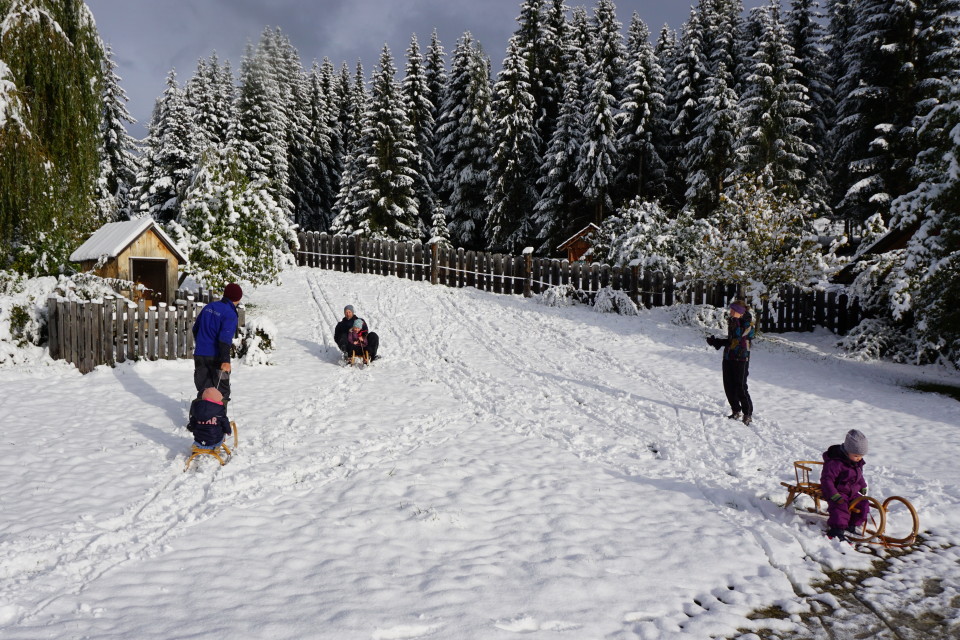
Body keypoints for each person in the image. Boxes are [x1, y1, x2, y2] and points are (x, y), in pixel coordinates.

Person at [706, 300, 756, 425]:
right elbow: (731, 340)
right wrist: (717, 341)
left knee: (740, 386)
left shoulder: (748, 324)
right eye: (731, 310)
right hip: (729, 356)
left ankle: (747, 414)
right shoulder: (733, 321)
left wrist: (719, 342)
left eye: (734, 310)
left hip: (741, 358)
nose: (731, 312)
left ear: (740, 312)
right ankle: (735, 410)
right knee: (728, 385)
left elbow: (737, 339)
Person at [192, 283, 242, 405]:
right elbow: (225, 338)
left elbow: (195, 329)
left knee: (204, 390)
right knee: (221, 391)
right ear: (238, 298)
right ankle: (218, 420)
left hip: (200, 354)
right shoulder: (230, 313)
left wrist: (202, 344)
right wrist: (225, 360)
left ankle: (201, 420)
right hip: (217, 357)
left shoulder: (209, 306)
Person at [821, 429, 870, 542]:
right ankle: (836, 530)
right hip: (837, 491)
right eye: (856, 455)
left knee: (863, 503)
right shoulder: (835, 463)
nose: (859, 458)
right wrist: (834, 494)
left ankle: (851, 524)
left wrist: (862, 485)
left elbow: (859, 476)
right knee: (840, 506)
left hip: (851, 491)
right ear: (847, 451)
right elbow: (827, 479)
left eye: (861, 456)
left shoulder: (855, 462)